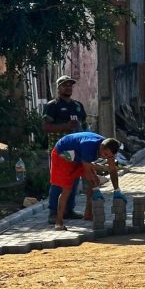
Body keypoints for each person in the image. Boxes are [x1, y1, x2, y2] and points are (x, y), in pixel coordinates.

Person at [49, 132, 124, 230]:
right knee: (67, 188)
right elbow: (88, 173)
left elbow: (112, 169)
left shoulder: (109, 148)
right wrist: (97, 190)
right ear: (101, 147)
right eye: (105, 154)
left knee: (95, 181)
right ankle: (58, 222)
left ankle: (88, 214)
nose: (106, 157)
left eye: (109, 156)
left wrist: (117, 190)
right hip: (63, 154)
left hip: (77, 155)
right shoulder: (89, 146)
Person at [43, 76, 88, 223]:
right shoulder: (53, 106)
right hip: (60, 151)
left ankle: (68, 210)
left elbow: (84, 126)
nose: (68, 87)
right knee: (58, 181)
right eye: (64, 85)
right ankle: (53, 212)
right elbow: (45, 127)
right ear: (58, 88)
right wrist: (66, 126)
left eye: (70, 85)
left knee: (74, 180)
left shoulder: (78, 106)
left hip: (75, 151)